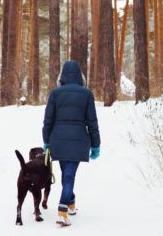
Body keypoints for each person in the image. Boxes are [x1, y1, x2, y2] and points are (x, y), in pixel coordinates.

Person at [42, 60, 101, 226]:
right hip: (78, 142)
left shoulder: (55, 93)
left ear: (62, 77)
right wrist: (95, 144)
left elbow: (48, 120)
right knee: (68, 176)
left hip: (58, 141)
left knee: (66, 175)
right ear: (80, 77)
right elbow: (92, 122)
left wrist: (47, 141)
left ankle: (71, 203)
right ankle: (63, 210)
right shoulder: (87, 94)